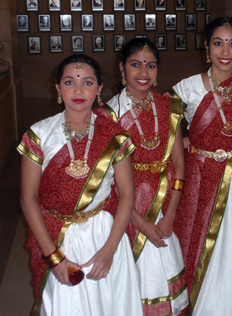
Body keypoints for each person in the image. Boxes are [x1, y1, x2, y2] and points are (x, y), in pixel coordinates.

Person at [17, 54, 143, 315]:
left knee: (112, 304)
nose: (77, 90)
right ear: (57, 88)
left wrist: (109, 250)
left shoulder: (114, 135)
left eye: (87, 82)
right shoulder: (39, 134)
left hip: (105, 234)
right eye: (69, 82)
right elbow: (28, 199)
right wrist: (54, 257)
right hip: (57, 237)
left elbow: (127, 194)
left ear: (99, 89)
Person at [171, 17, 232, 315]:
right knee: (198, 241)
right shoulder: (185, 89)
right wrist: (182, 140)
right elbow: (162, 122)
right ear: (206, 46)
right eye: (218, 43)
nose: (225, 51)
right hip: (199, 179)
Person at [100, 38, 189, 316]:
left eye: (150, 66)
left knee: (167, 268)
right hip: (126, 205)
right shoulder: (108, 114)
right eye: (135, 65)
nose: (143, 73)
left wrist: (171, 214)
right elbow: (108, 179)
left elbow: (178, 163)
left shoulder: (170, 107)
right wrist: (138, 222)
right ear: (121, 68)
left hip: (164, 202)